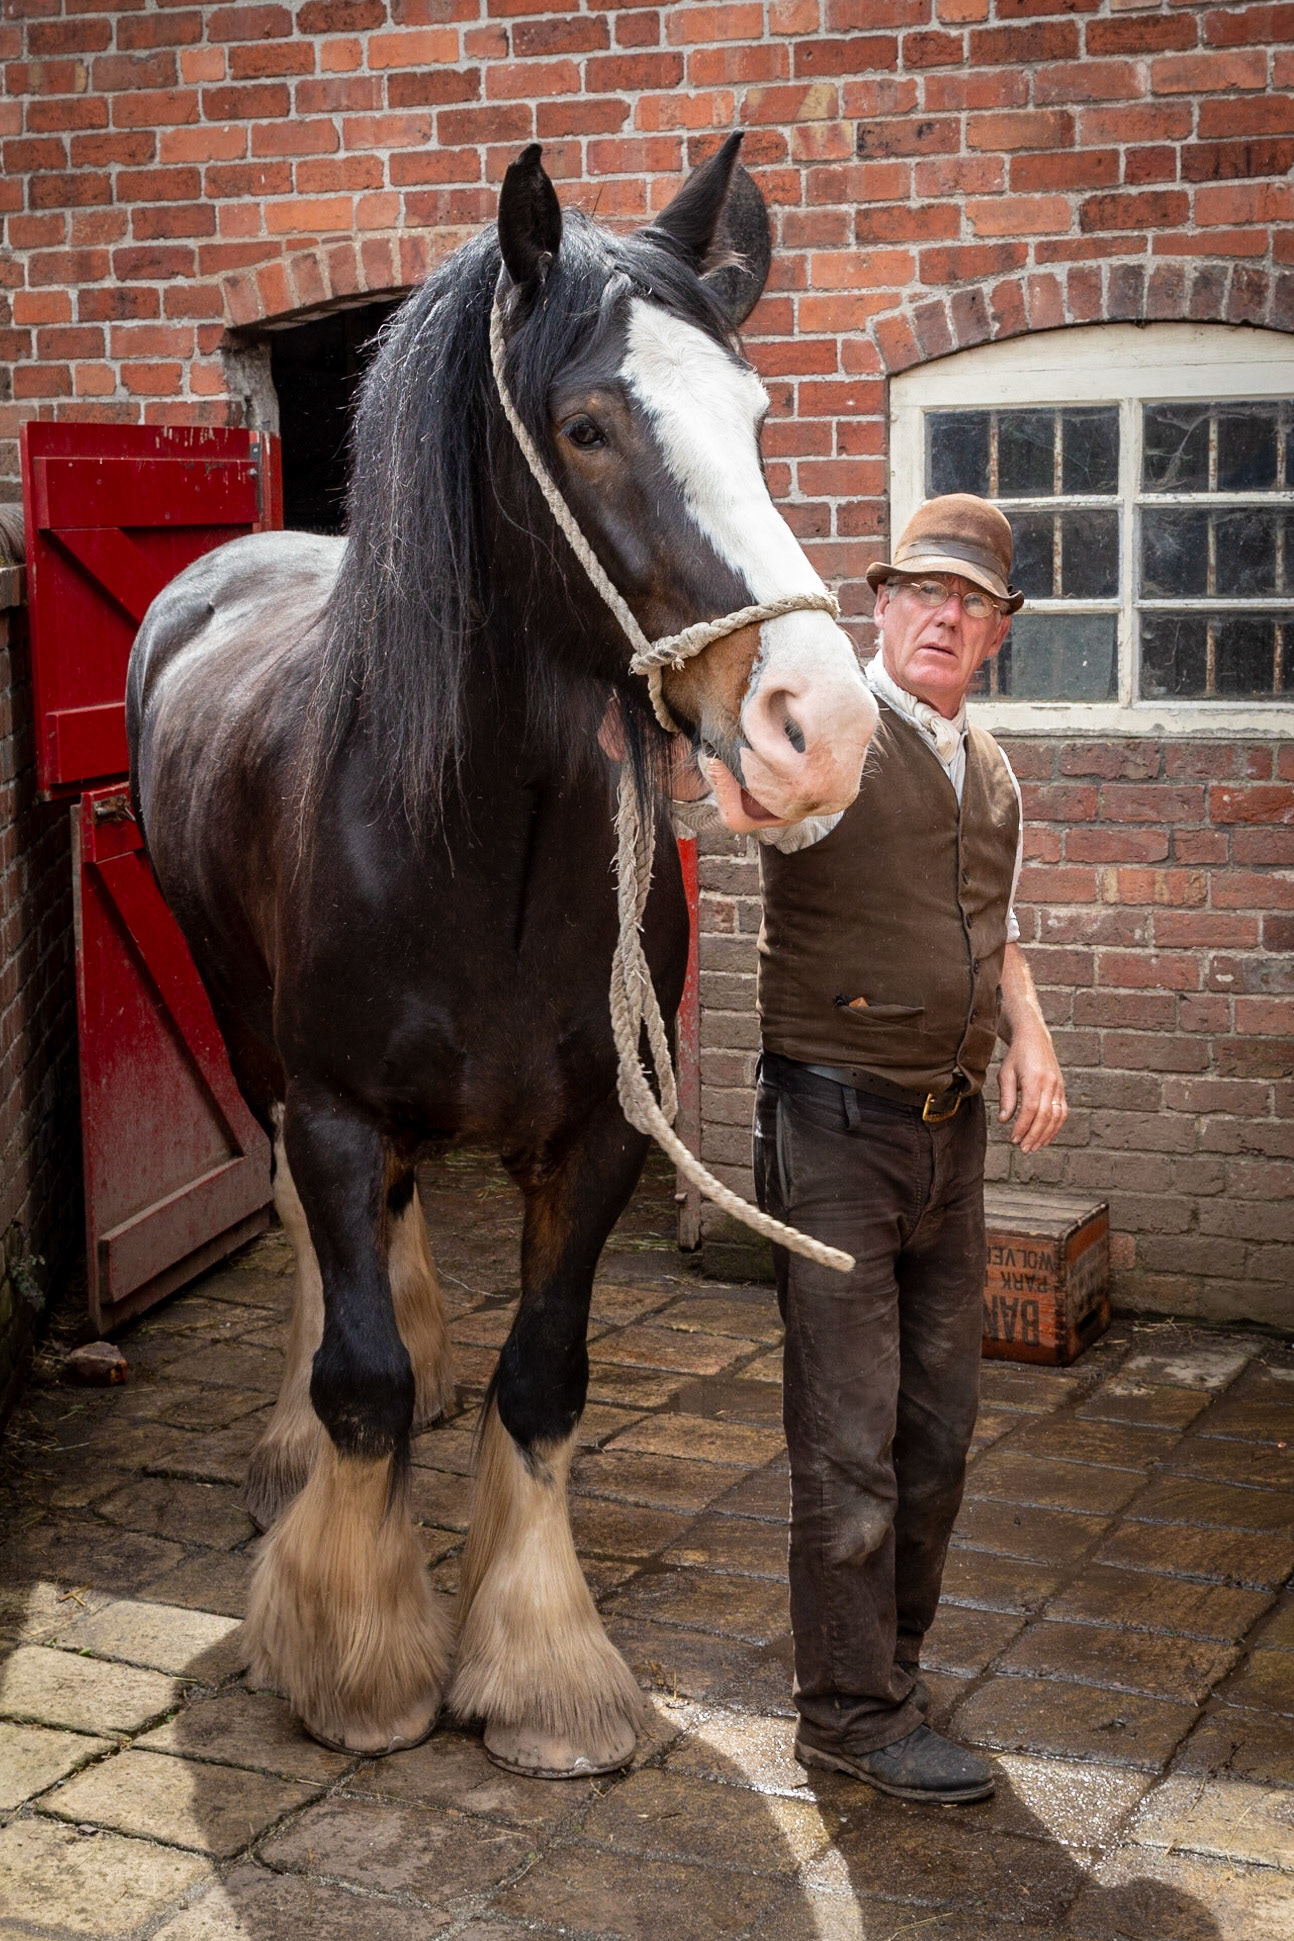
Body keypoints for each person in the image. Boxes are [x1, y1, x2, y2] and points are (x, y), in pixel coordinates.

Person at [753, 493, 1068, 1805]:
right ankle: (847, 1714)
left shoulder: (986, 767)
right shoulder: (822, 732)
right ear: (876, 605)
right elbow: (747, 798)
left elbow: (991, 931)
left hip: (949, 1146)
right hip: (832, 1133)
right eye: (922, 593)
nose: (944, 616)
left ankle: (886, 1666)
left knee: (937, 1432)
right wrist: (749, 739)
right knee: (847, 1437)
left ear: (994, 633)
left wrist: (1031, 1039)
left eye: (972, 603)